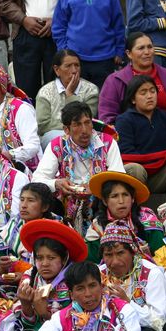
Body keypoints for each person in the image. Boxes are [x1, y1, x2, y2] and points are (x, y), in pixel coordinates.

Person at [32, 101, 125, 235]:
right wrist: (57, 183)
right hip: (67, 203)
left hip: (101, 201)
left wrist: (96, 187)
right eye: (77, 125)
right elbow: (37, 179)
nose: (84, 130)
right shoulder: (57, 146)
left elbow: (118, 177)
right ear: (66, 130)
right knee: (44, 197)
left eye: (87, 123)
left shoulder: (107, 143)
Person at [0, 0, 77, 102]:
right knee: (25, 88)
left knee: (58, 86)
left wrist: (56, 21)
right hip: (25, 32)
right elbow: (4, 1)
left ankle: (58, 123)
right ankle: (28, 122)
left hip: (58, 35)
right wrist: (23, 19)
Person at [99, 222, 166, 331]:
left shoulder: (151, 272)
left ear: (133, 251)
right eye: (108, 255)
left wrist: (127, 302)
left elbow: (158, 321)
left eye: (121, 253)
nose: (114, 261)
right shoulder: (97, 275)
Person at [51, 0, 125, 91]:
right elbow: (59, 27)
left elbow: (118, 24)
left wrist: (120, 50)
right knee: (77, 101)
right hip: (76, 59)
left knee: (104, 101)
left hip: (105, 58)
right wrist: (65, 51)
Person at [115, 75, 166, 193]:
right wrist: (160, 160)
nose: (149, 96)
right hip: (138, 172)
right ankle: (137, 210)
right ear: (133, 99)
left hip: (159, 174)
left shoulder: (164, 117)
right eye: (143, 93)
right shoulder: (124, 120)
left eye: (152, 91)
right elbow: (126, 152)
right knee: (136, 168)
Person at [98, 32, 166, 126]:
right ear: (129, 54)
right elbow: (107, 116)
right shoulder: (115, 81)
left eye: (150, 47)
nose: (147, 52)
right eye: (141, 48)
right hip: (129, 135)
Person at [85, 171, 163, 262]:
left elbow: (162, 257)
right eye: (114, 196)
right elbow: (93, 264)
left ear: (133, 198)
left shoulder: (149, 222)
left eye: (125, 195)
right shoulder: (97, 229)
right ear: (105, 201)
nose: (121, 201)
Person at [35, 49, 99, 146]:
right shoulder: (45, 92)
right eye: (68, 66)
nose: (74, 70)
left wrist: (70, 96)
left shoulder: (91, 90)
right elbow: (42, 126)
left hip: (84, 133)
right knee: (62, 140)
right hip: (54, 136)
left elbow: (89, 119)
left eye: (77, 65)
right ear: (57, 70)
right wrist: (70, 128)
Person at [0, 182, 55, 267]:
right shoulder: (13, 226)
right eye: (22, 200)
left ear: (45, 207)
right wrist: (2, 267)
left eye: (31, 200)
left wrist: (25, 274)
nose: (24, 205)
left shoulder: (56, 227)